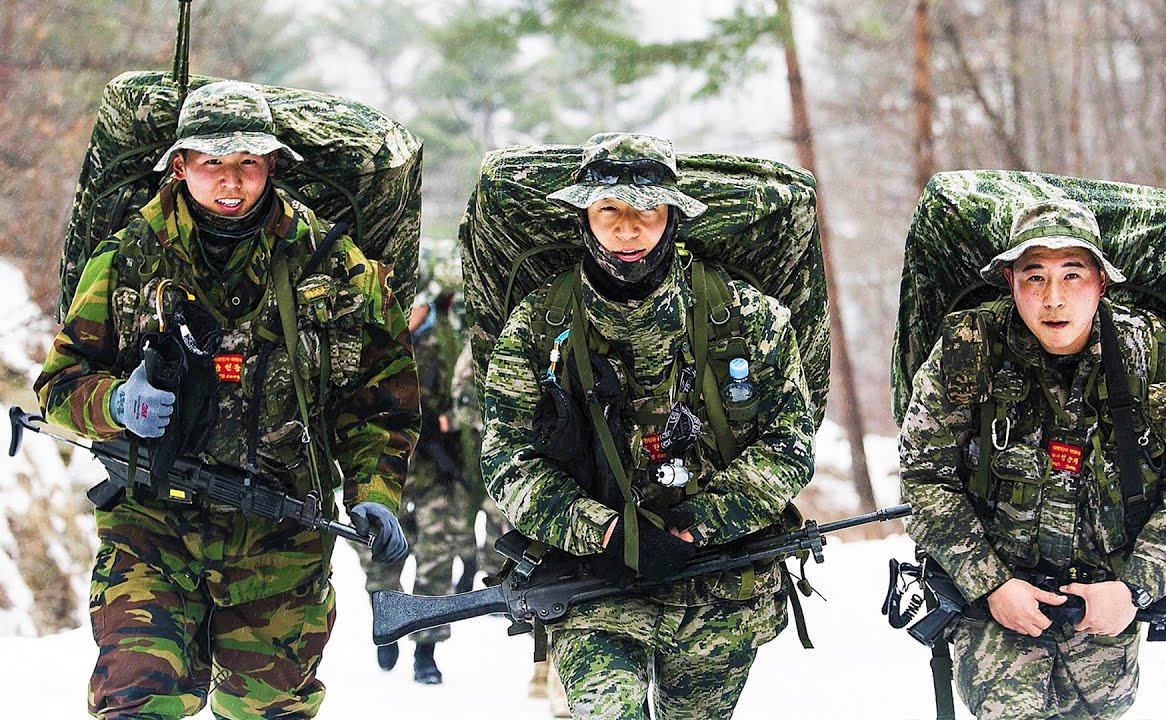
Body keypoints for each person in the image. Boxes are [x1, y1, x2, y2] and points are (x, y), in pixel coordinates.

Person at [35, 80, 419, 719]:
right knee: (136, 700)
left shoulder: (335, 266)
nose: (232, 182)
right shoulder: (130, 257)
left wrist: (374, 496)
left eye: (247, 163)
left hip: (281, 533)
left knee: (268, 710)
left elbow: (381, 405)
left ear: (272, 164)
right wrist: (115, 404)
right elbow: (60, 384)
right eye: (213, 163)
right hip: (152, 525)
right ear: (181, 166)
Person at [481, 132, 815, 719]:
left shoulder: (749, 318)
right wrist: (605, 532)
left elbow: (789, 445)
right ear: (583, 213)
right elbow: (507, 457)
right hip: (595, 582)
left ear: (674, 216)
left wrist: (696, 525)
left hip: (718, 584)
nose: (627, 229)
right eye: (609, 209)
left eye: (646, 210)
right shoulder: (538, 325)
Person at [899, 199, 1166, 719]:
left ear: (1100, 281)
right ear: (1009, 282)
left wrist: (1134, 587)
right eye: (1034, 277)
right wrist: (989, 582)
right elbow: (924, 476)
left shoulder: (1154, 355)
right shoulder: (968, 351)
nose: (1053, 299)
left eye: (1072, 275)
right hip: (999, 600)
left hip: (1106, 596)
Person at [359, 247, 507, 684]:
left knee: (436, 560)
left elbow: (459, 402)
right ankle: (385, 622)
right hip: (384, 469)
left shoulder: (444, 340)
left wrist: (450, 439)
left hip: (436, 473)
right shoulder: (376, 342)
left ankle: (425, 648)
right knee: (380, 559)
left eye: (417, 301)